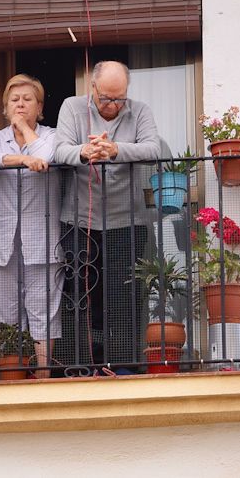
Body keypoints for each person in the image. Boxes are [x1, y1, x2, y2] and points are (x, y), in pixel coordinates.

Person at [51, 60, 161, 370]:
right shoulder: (72, 108)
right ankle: (80, 365)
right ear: (93, 88)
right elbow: (59, 151)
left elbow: (153, 149)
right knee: (79, 295)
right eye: (105, 98)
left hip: (127, 221)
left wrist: (115, 150)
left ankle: (123, 365)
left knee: (124, 297)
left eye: (119, 98)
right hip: (78, 220)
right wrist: (83, 152)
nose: (112, 105)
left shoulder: (140, 111)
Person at [0, 73, 61, 375]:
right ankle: (14, 373)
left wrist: (25, 128)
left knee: (43, 310)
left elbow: (47, 156)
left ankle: (43, 374)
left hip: (43, 239)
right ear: (5, 107)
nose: (20, 104)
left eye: (28, 100)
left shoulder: (50, 135)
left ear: (40, 107)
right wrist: (21, 159)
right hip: (0, 239)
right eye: (15, 100)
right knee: (6, 311)